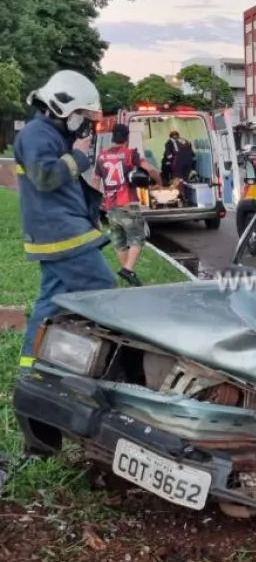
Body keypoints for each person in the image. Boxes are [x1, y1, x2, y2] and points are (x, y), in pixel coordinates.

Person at [13, 70, 116, 369]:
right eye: (82, 115)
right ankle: (106, 363)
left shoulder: (50, 134)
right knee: (102, 291)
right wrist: (79, 156)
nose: (85, 124)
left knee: (52, 301)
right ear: (62, 107)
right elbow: (45, 177)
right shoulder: (36, 134)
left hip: (59, 233)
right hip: (62, 234)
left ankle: (33, 365)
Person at [93, 123, 160, 287]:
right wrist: (159, 181)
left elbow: (95, 181)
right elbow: (149, 170)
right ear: (127, 138)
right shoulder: (131, 154)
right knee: (137, 237)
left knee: (119, 241)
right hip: (128, 204)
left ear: (113, 137)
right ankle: (127, 269)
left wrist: (95, 202)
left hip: (110, 206)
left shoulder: (101, 156)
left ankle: (126, 273)